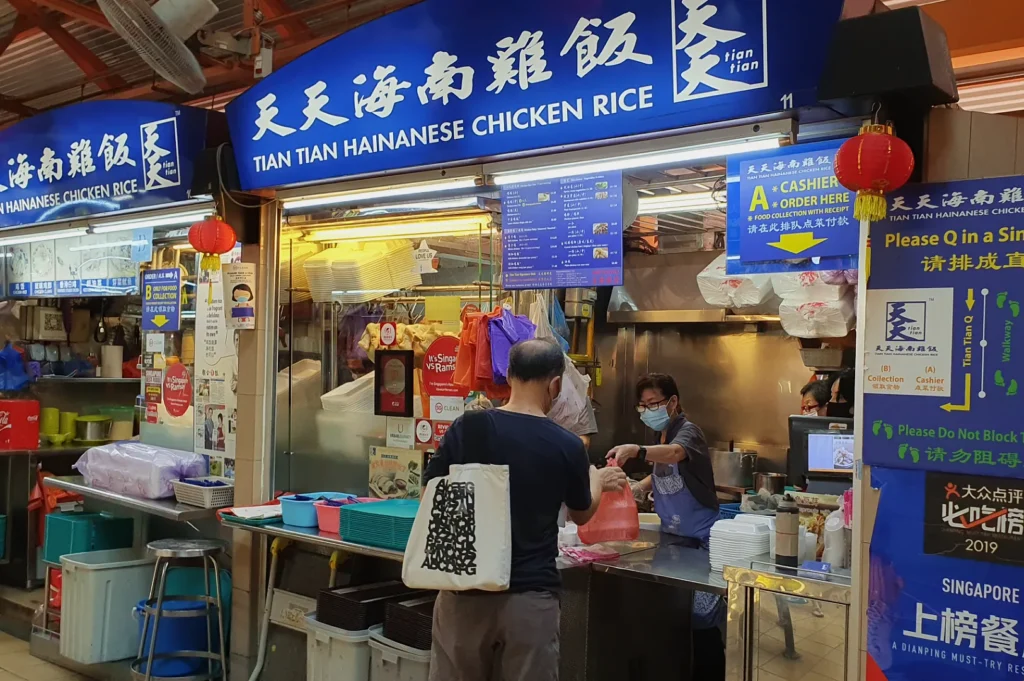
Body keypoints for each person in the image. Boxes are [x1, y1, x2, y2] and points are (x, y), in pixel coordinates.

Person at [424, 338, 626, 681]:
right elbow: (582, 513)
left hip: (464, 590)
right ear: (555, 384)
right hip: (530, 599)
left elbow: (431, 491)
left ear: (510, 376)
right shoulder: (566, 444)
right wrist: (596, 479)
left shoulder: (468, 427)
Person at [607, 373, 725, 680]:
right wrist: (636, 487)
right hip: (673, 543)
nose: (647, 411)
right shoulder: (661, 438)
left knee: (702, 618)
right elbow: (662, 472)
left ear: (673, 402)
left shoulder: (688, 433)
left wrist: (637, 450)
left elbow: (674, 455)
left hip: (701, 542)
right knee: (672, 615)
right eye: (643, 406)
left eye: (653, 403)